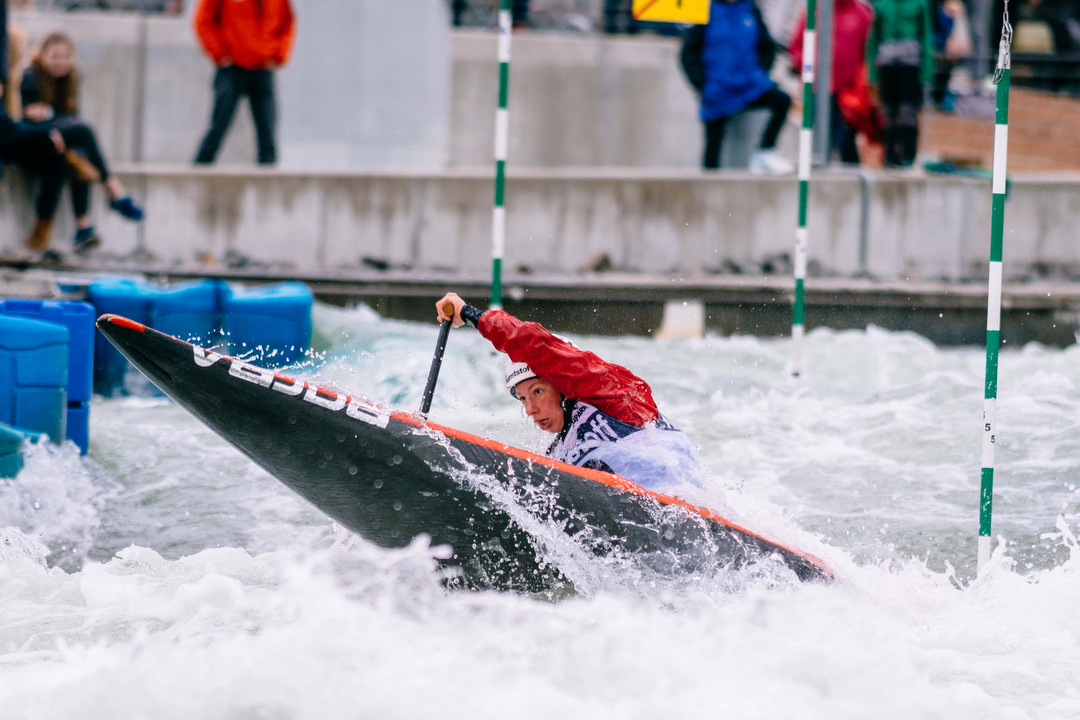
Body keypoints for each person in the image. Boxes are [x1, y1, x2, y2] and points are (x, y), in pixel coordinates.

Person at [435, 293, 705, 491]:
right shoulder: (562, 449)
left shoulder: (614, 395)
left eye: (538, 391)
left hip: (682, 509)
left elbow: (539, 348)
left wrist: (471, 314)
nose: (530, 409)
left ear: (564, 386)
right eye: (523, 399)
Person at [0, 28, 142, 258]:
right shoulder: (28, 79)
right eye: (55, 56)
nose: (60, 62)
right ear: (41, 55)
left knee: (76, 156)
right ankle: (112, 191)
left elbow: (69, 119)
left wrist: (50, 117)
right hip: (26, 145)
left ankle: (78, 228)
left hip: (52, 143)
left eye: (65, 56)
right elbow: (19, 123)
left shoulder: (71, 78)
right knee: (84, 132)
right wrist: (49, 126)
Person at [680, 0, 793, 173]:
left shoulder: (750, 10)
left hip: (750, 86)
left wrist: (759, 73)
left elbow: (767, 46)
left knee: (782, 101)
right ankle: (710, 190)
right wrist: (702, 84)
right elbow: (689, 52)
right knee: (712, 150)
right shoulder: (706, 11)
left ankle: (765, 152)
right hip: (717, 91)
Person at [192, 0, 295, 166]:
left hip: (263, 68)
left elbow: (287, 23)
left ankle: (268, 185)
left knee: (267, 133)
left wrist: (279, 55)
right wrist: (219, 54)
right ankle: (196, 177)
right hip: (232, 68)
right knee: (217, 128)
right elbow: (203, 20)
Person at [789, 0, 875, 164]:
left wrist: (863, 81)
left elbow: (869, 51)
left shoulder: (862, 14)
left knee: (846, 137)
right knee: (819, 134)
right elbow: (796, 47)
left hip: (848, 91)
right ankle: (820, 167)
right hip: (817, 88)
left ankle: (850, 173)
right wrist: (809, 68)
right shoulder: (814, 12)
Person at [867, 0, 934, 168]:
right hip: (887, 65)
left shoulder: (919, 5)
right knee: (888, 111)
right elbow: (873, 39)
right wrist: (872, 74)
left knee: (907, 111)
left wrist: (926, 71)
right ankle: (889, 153)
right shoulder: (881, 6)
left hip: (910, 65)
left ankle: (908, 153)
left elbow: (925, 36)